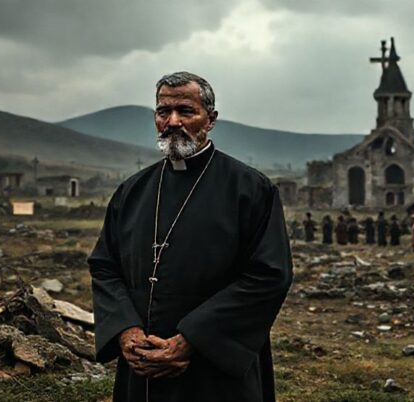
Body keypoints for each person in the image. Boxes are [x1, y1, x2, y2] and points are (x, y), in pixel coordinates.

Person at [88, 72, 293, 402]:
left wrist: (191, 340)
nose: (172, 122)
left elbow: (269, 275)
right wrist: (126, 330)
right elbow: (104, 266)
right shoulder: (132, 191)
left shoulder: (251, 189)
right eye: (162, 112)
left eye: (185, 111)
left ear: (210, 119)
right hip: (142, 365)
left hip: (215, 367)